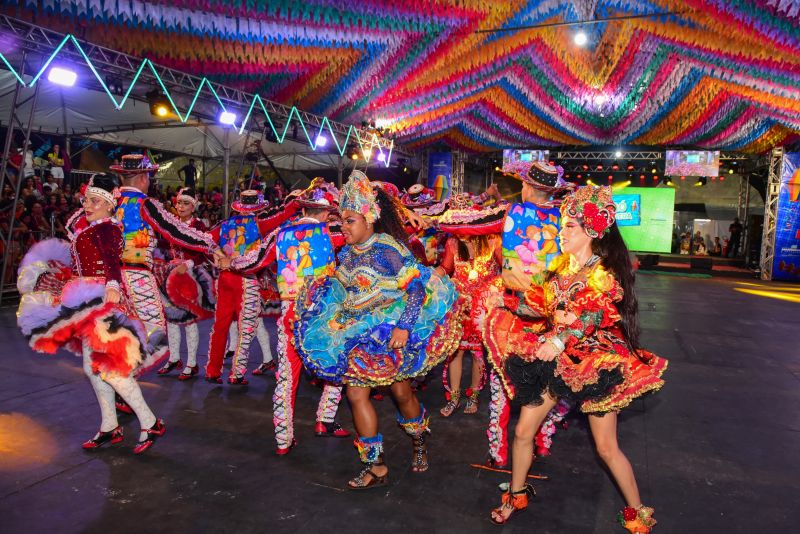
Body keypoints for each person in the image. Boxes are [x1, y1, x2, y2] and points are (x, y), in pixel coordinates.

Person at [485, 186, 668, 532]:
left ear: (591, 232)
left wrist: (560, 338)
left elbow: (595, 317)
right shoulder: (560, 270)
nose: (561, 231)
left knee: (606, 447)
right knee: (523, 431)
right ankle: (516, 495)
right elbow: (536, 304)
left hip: (594, 364)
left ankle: (638, 513)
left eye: (569, 226)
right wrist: (505, 302)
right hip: (556, 359)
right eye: (563, 224)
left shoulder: (604, 273)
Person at [292, 171, 461, 489]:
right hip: (357, 331)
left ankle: (419, 440)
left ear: (369, 219)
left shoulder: (388, 249)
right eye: (342, 221)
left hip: (390, 329)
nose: (344, 227)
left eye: (350, 220)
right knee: (356, 394)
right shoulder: (346, 254)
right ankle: (376, 465)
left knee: (401, 392)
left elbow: (416, 289)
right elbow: (342, 292)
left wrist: (404, 327)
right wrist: (330, 313)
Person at [16, 174, 166, 454]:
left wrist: (112, 284)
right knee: (92, 368)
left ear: (109, 204)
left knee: (110, 369)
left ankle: (150, 421)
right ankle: (110, 425)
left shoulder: (108, 228)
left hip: (101, 301)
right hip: (86, 301)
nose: (87, 204)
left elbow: (111, 259)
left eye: (94, 201)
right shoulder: (92, 226)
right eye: (86, 199)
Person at [438, 161, 574, 468]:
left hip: (513, 313)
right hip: (552, 315)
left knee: (502, 384)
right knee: (551, 384)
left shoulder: (511, 214)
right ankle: (543, 439)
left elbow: (466, 224)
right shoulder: (566, 220)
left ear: (527, 187)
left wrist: (450, 213)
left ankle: (498, 451)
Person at [230, 178, 350, 453]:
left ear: (303, 209)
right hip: (323, 312)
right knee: (336, 364)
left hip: (290, 312)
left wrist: (230, 262)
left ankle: (283, 438)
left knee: (287, 374)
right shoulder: (331, 231)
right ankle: (325, 420)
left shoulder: (281, 234)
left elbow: (252, 262)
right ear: (324, 212)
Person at [205, 189, 299, 384]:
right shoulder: (259, 224)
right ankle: (237, 373)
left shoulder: (224, 225)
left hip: (224, 278)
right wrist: (299, 199)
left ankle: (213, 370)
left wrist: (217, 256)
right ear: (258, 206)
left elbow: (203, 240)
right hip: (246, 278)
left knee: (221, 325)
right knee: (246, 327)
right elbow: (284, 214)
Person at [154, 187, 216, 380]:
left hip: (191, 277)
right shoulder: (172, 223)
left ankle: (191, 363)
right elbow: (163, 243)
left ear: (193, 206)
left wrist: (188, 264)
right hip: (172, 276)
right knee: (171, 319)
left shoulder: (199, 226)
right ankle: (174, 358)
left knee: (189, 321)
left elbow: (206, 251)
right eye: (179, 202)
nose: (181, 206)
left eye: (186, 203)